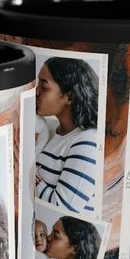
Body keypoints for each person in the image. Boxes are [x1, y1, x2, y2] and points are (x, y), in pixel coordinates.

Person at [35, 57, 99, 216]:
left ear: (69, 97)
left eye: (43, 87)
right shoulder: (49, 130)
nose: (35, 92)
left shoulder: (89, 142)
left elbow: (63, 209)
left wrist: (29, 179)